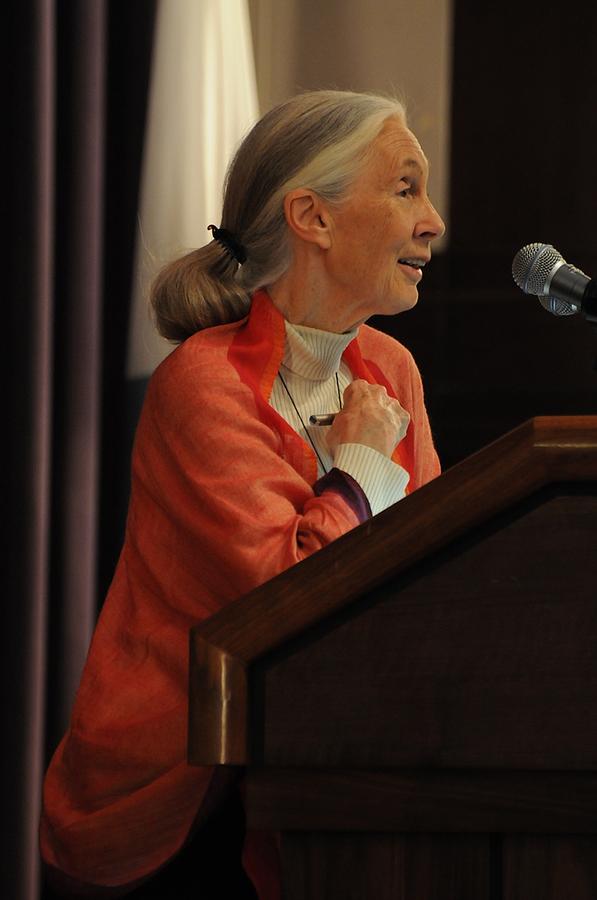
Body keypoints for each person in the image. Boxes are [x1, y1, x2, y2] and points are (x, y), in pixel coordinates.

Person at [40, 89, 445, 899]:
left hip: (349, 768)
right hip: (191, 800)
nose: (432, 221)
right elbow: (280, 602)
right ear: (312, 217)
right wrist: (360, 470)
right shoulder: (201, 382)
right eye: (405, 188)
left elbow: (434, 573)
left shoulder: (391, 370)